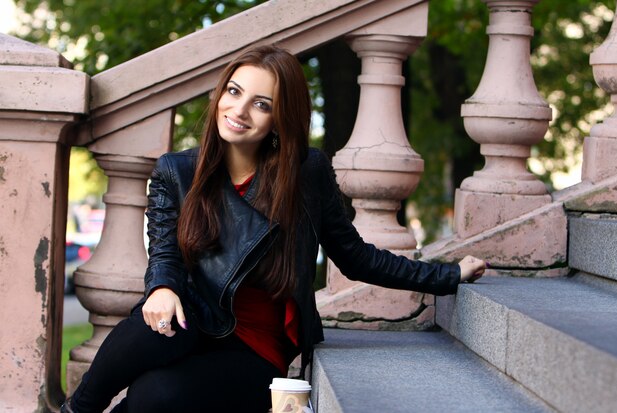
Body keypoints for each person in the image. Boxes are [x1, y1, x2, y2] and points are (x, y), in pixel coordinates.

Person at [62, 44, 486, 413]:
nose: (240, 111)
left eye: (261, 104)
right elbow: (165, 255)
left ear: (281, 118)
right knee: (146, 328)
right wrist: (162, 288)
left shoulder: (305, 173)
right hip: (194, 322)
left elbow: (355, 257)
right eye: (234, 92)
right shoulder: (177, 171)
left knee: (154, 396)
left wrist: (446, 275)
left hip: (256, 346)